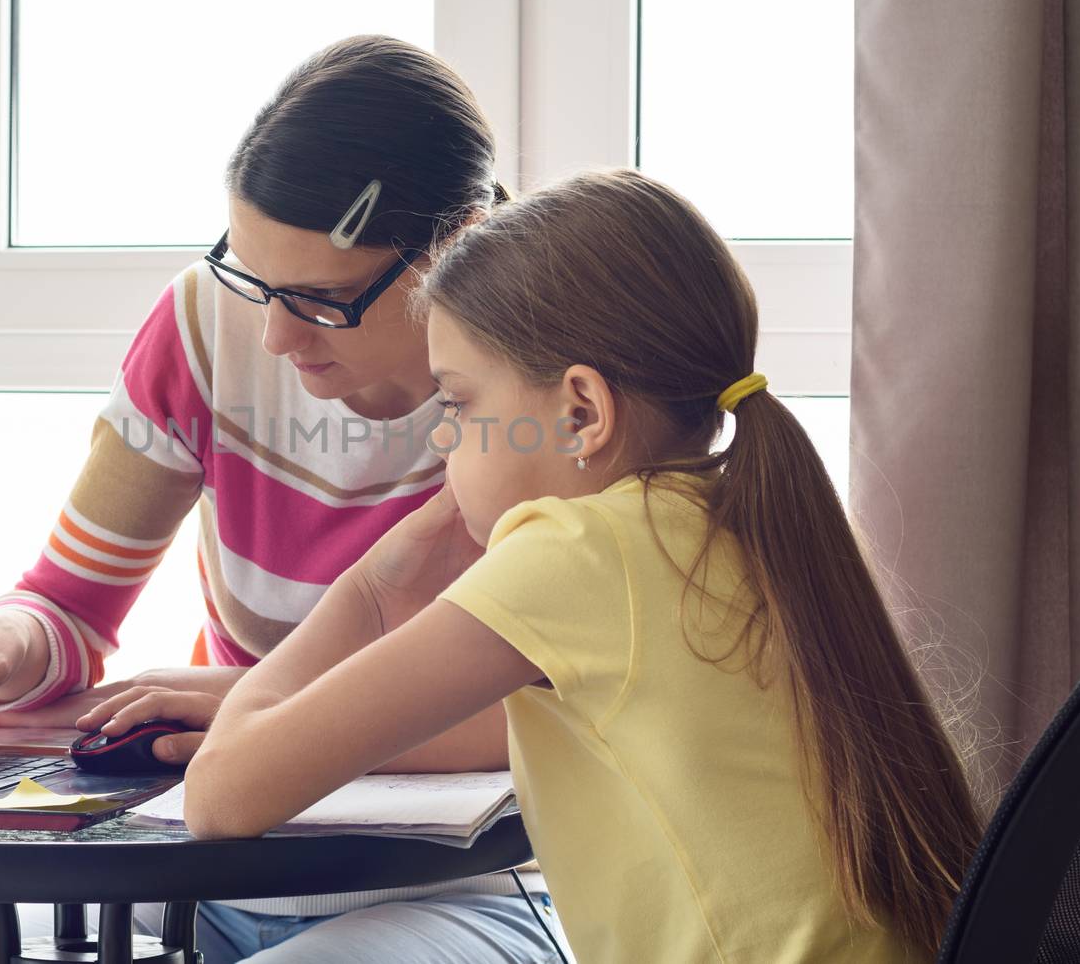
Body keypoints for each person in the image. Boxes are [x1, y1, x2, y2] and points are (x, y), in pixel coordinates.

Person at [0, 35, 561, 964]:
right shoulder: (208, 326)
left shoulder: (554, 394)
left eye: (321, 299)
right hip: (206, 873)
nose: (279, 335)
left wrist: (257, 705)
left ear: (459, 249)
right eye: (254, 280)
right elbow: (71, 606)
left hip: (477, 888)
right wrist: (1, 647)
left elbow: (556, 712)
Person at [106, 168, 986, 962]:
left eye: (459, 402)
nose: (444, 439)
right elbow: (454, 730)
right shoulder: (731, 519)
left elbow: (222, 796)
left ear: (581, 412)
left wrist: (375, 588)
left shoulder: (578, 550)